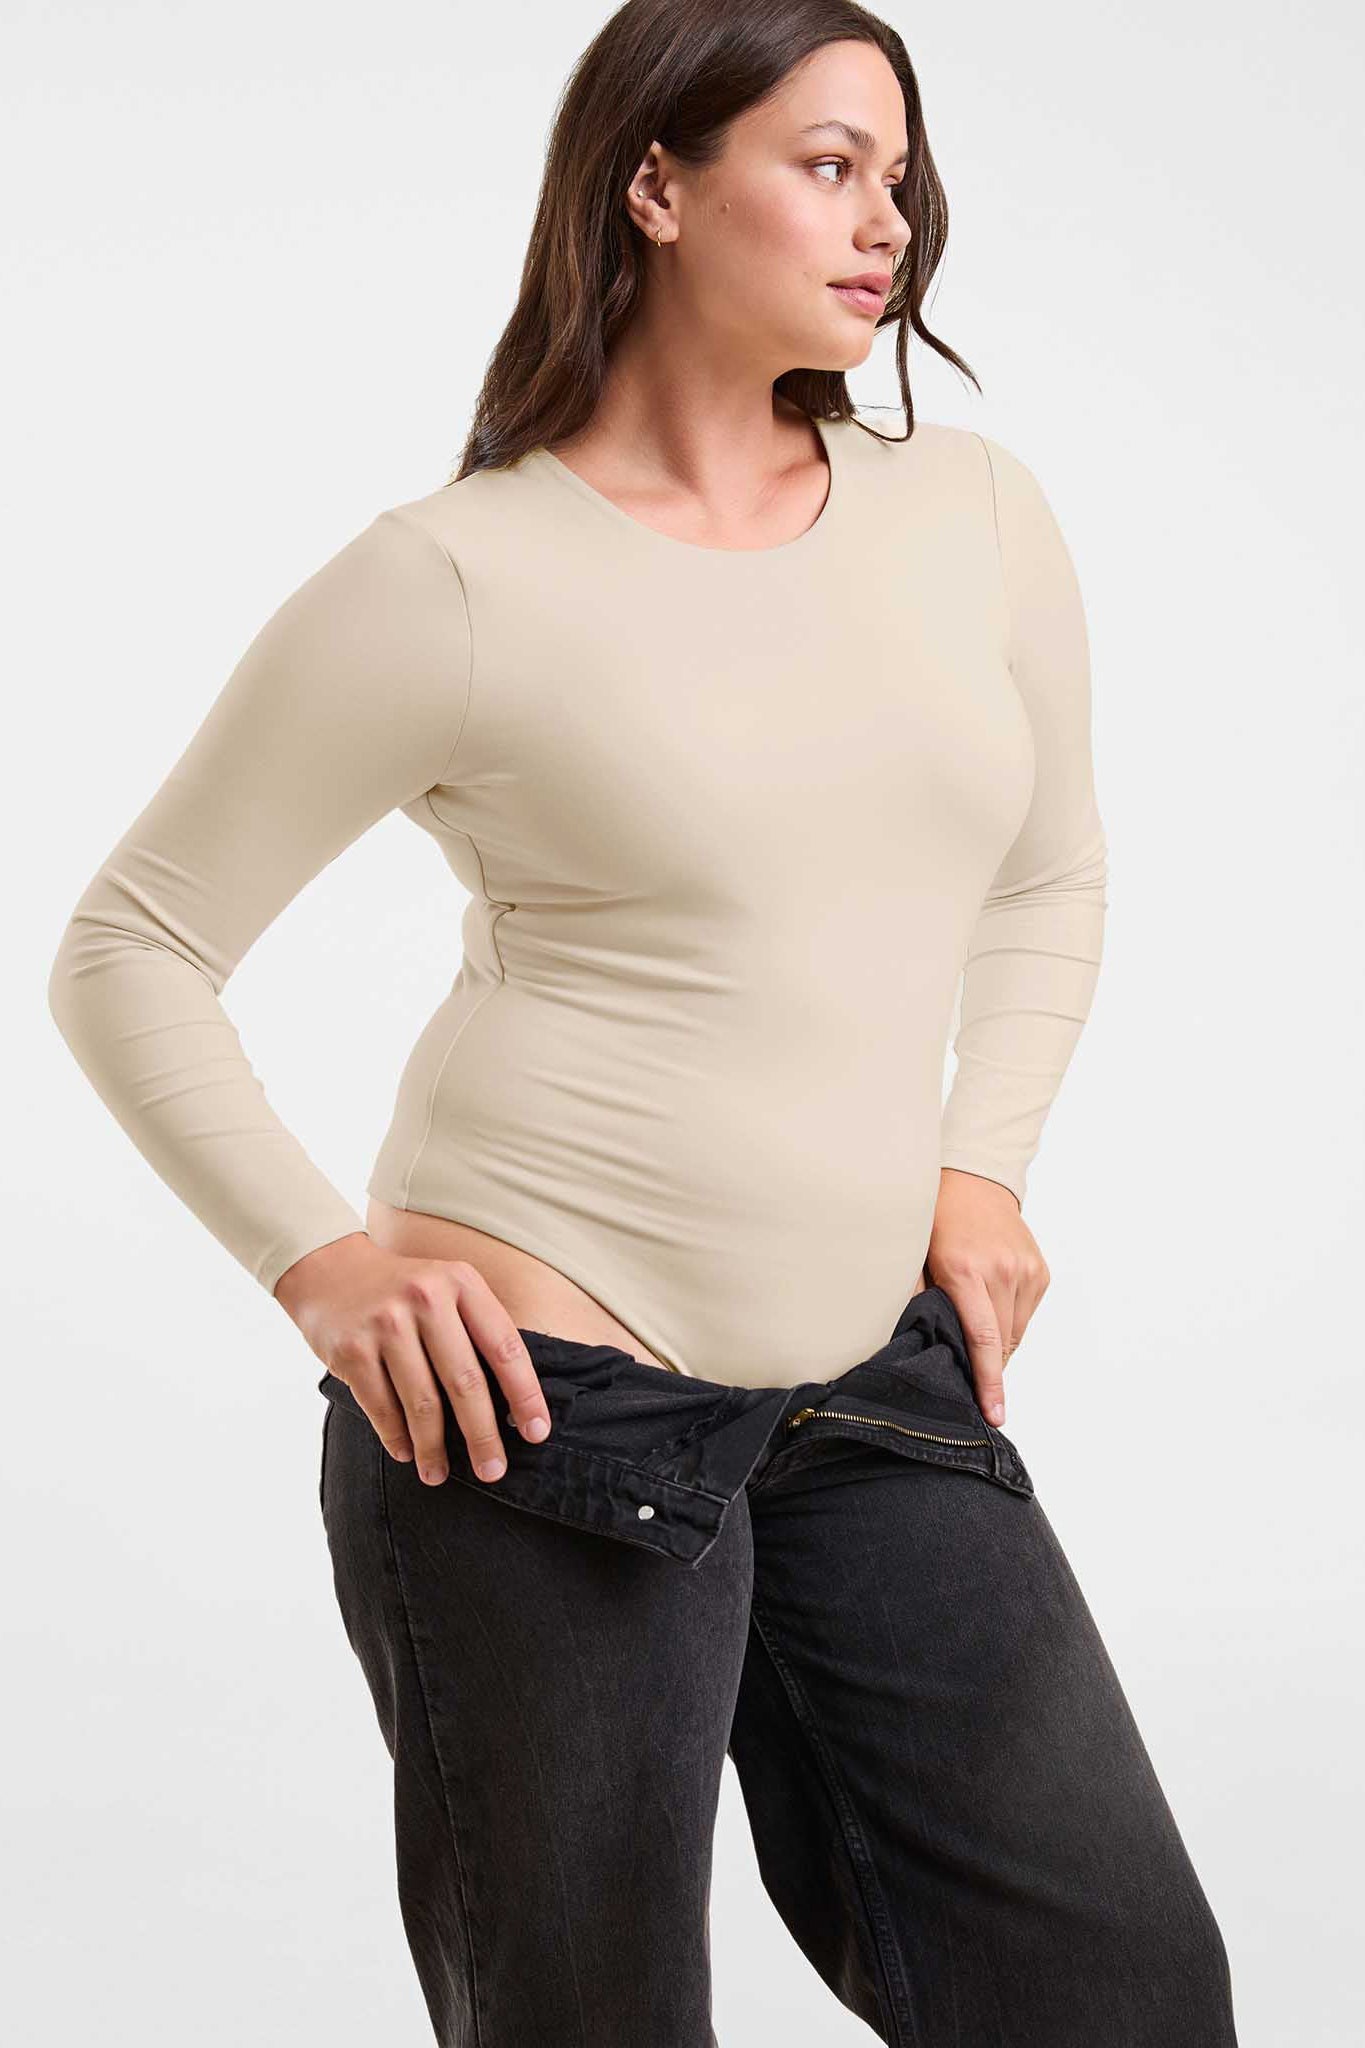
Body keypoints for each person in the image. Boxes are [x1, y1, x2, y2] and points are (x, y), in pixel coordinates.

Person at [46, 3, 1242, 2043]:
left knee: (1116, 1988)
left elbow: (1049, 872)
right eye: (826, 164)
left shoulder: (968, 514)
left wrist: (979, 1166)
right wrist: (321, 1266)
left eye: (896, 173)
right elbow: (131, 944)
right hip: (538, 1411)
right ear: (656, 186)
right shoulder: (454, 580)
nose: (886, 221)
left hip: (874, 1382)